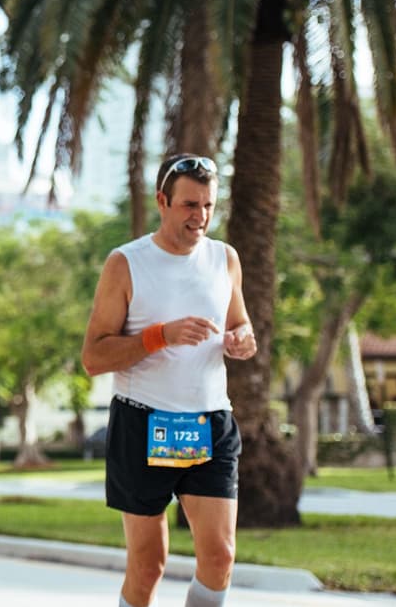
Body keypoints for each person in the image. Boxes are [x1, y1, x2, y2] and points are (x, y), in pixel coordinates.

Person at [81, 153, 258, 607]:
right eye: (189, 205)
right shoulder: (126, 263)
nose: (200, 217)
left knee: (219, 557)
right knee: (148, 565)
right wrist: (161, 336)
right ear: (162, 201)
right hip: (144, 426)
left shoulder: (225, 259)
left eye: (208, 206)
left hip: (209, 423)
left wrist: (242, 341)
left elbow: (240, 325)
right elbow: (94, 357)